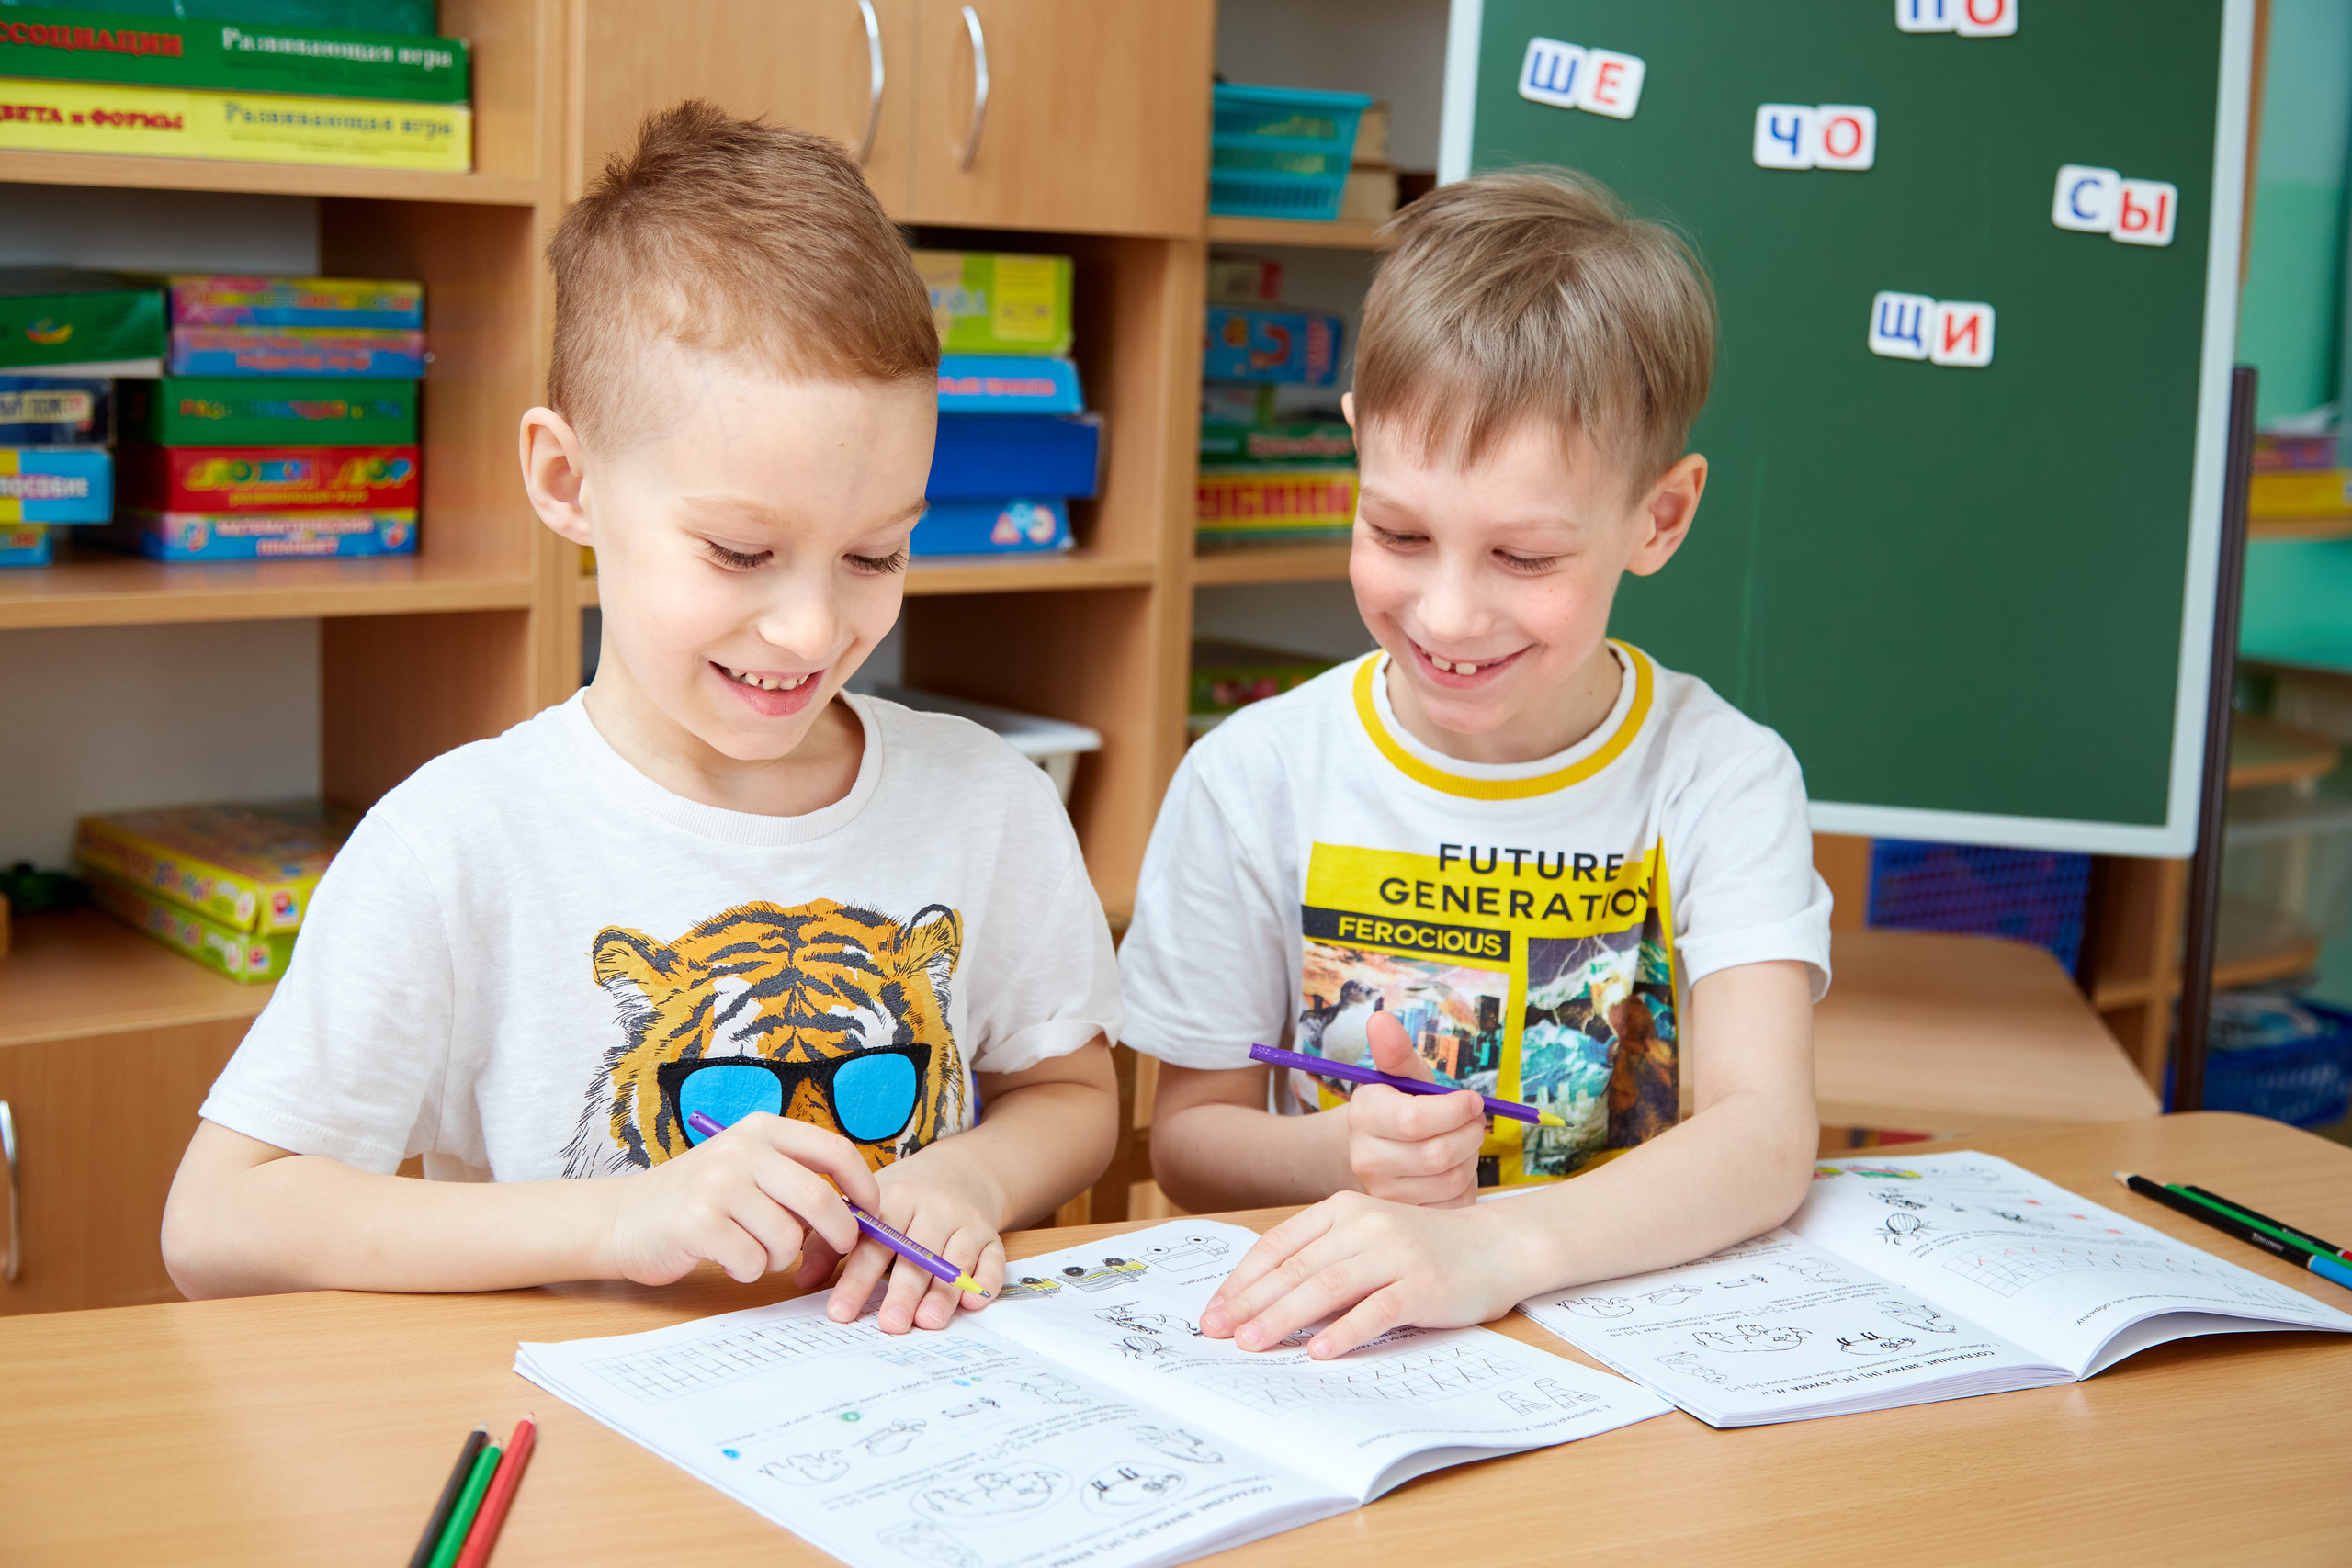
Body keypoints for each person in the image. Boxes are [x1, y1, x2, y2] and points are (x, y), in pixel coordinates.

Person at [161, 103, 1122, 1334]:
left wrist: (970, 1174)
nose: (810, 630)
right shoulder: (460, 841)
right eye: (740, 550)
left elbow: (1073, 1092)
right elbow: (216, 1224)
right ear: (569, 481)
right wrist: (620, 1219)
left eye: (876, 554)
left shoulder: (989, 803)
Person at [1119, 168, 1830, 1359]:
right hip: (1353, 1357)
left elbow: (1764, 1136)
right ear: (1354, 444)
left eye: (1524, 555)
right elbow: (1187, 1145)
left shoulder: (1722, 776)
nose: (1448, 614)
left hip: (1615, 1334)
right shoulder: (1254, 778)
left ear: (1660, 517)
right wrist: (1334, 1154)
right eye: (1398, 533)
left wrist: (1497, 1247)